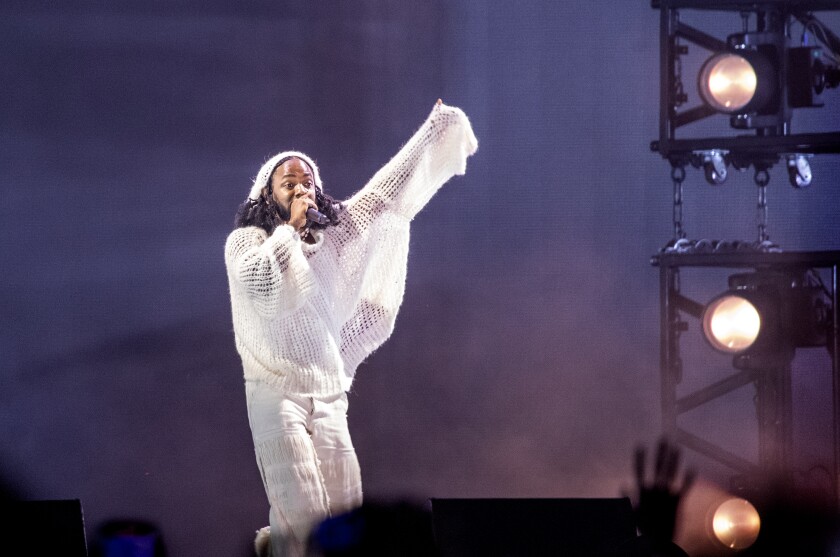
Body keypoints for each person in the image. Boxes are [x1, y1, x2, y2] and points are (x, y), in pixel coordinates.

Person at [224, 100, 477, 557]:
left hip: (326, 390)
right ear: (267, 194)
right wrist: (290, 231)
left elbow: (385, 197)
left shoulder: (331, 240)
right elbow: (263, 287)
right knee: (301, 509)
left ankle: (273, 548)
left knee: (344, 513)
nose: (301, 189)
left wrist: (434, 132)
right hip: (273, 388)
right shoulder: (248, 240)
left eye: (308, 183)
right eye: (289, 183)